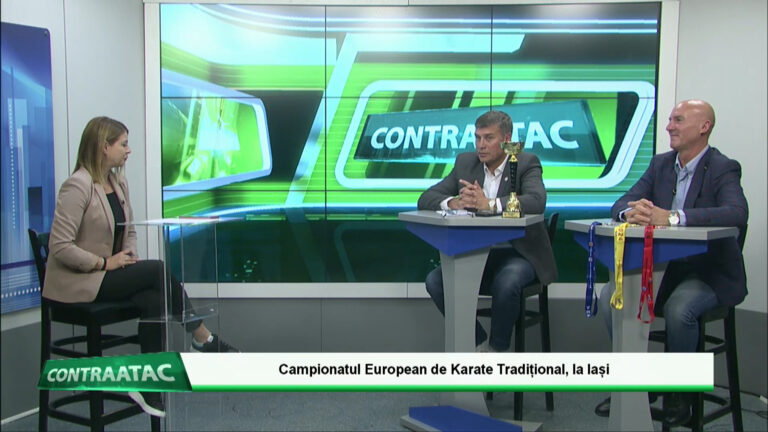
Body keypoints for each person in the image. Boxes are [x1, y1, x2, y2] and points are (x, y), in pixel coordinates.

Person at [43, 116, 238, 417]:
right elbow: (59, 246)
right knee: (157, 269)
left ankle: (148, 383)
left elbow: (128, 229)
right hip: (80, 282)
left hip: (109, 274)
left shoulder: (117, 183)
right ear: (104, 146)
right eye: (123, 144)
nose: (128, 150)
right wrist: (105, 262)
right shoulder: (77, 186)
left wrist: (128, 254)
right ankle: (201, 336)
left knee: (154, 298)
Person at [593, 100, 749, 426]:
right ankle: (637, 385)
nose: (669, 127)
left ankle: (679, 393)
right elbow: (621, 203)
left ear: (704, 127)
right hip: (662, 271)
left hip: (707, 272)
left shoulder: (723, 167)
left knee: (680, 309)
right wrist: (630, 212)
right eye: (669, 120)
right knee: (609, 298)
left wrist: (674, 217)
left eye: (678, 120)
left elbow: (737, 212)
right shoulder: (660, 164)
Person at [418, 110, 558, 352]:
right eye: (477, 138)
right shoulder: (466, 163)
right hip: (475, 254)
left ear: (507, 139)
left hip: (518, 253)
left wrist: (490, 204)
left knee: (507, 281)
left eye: (488, 138)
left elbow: (536, 201)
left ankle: (497, 351)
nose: (481, 145)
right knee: (435, 281)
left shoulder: (525, 162)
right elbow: (426, 198)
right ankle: (479, 343)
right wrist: (453, 202)